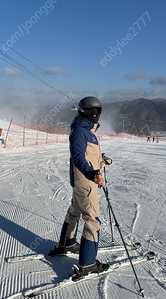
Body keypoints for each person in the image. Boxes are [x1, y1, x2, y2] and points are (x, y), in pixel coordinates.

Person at [49, 96, 109, 276]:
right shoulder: (80, 132)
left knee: (75, 210)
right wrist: (92, 173)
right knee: (92, 220)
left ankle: (67, 242)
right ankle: (88, 263)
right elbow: (78, 158)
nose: (96, 114)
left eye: (98, 110)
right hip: (85, 181)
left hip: (83, 180)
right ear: (84, 112)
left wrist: (100, 160)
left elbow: (87, 155)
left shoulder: (87, 129)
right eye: (93, 111)